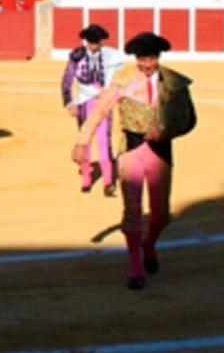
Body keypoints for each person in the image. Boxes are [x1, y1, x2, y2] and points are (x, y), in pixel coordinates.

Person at [73, 32, 197, 291]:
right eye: (142, 59)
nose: (146, 64)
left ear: (158, 58)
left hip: (161, 151)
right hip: (131, 151)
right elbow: (99, 110)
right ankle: (135, 268)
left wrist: (167, 131)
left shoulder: (173, 83)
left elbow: (189, 120)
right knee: (132, 213)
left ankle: (149, 244)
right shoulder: (123, 80)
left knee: (161, 215)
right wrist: (83, 140)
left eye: (151, 59)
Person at [61, 24, 123, 195]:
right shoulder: (77, 56)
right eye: (90, 42)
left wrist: (114, 93)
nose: (93, 45)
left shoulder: (111, 56)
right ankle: (86, 179)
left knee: (104, 141)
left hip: (104, 102)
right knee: (85, 140)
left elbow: (120, 78)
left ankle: (108, 182)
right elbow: (66, 80)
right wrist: (69, 103)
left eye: (96, 42)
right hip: (83, 103)